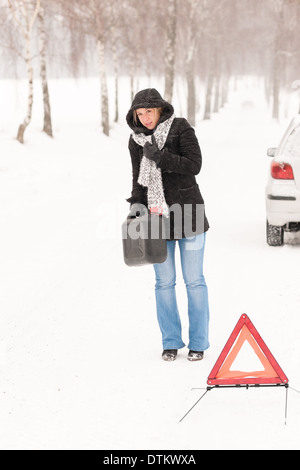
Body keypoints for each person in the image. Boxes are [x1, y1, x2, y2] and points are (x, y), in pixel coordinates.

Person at [126, 88, 210, 362]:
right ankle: (171, 342)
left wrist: (160, 157)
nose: (146, 117)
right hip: (157, 217)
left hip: (189, 213)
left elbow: (194, 165)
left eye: (149, 111)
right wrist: (135, 206)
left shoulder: (181, 127)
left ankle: (198, 343)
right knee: (164, 282)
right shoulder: (136, 140)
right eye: (140, 112)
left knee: (194, 281)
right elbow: (138, 178)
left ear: (160, 109)